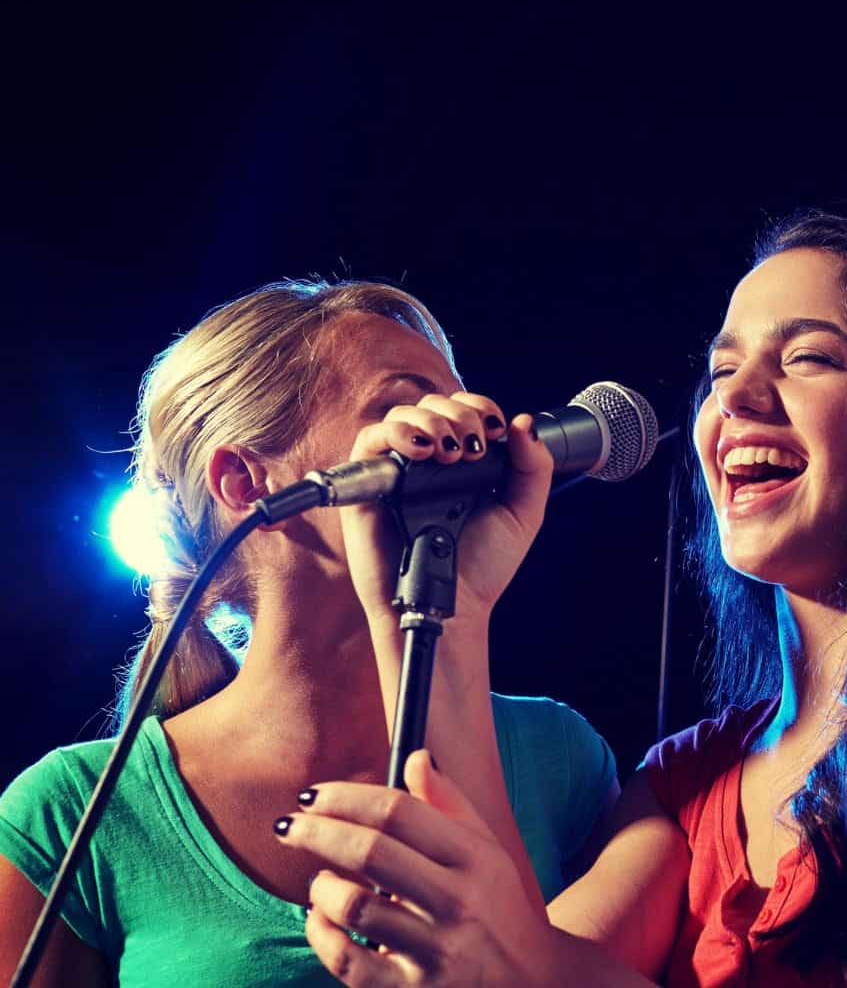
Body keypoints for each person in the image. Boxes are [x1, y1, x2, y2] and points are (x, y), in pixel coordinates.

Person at [272, 214, 847, 986]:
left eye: (809, 359)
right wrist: (441, 609)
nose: (738, 399)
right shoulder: (683, 784)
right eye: (721, 373)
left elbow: (525, 965)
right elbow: (503, 959)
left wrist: (523, 963)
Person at [0, 280, 619, 986]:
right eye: (404, 407)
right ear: (245, 481)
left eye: (463, 405)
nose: (467, 428)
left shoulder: (559, 759)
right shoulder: (73, 811)